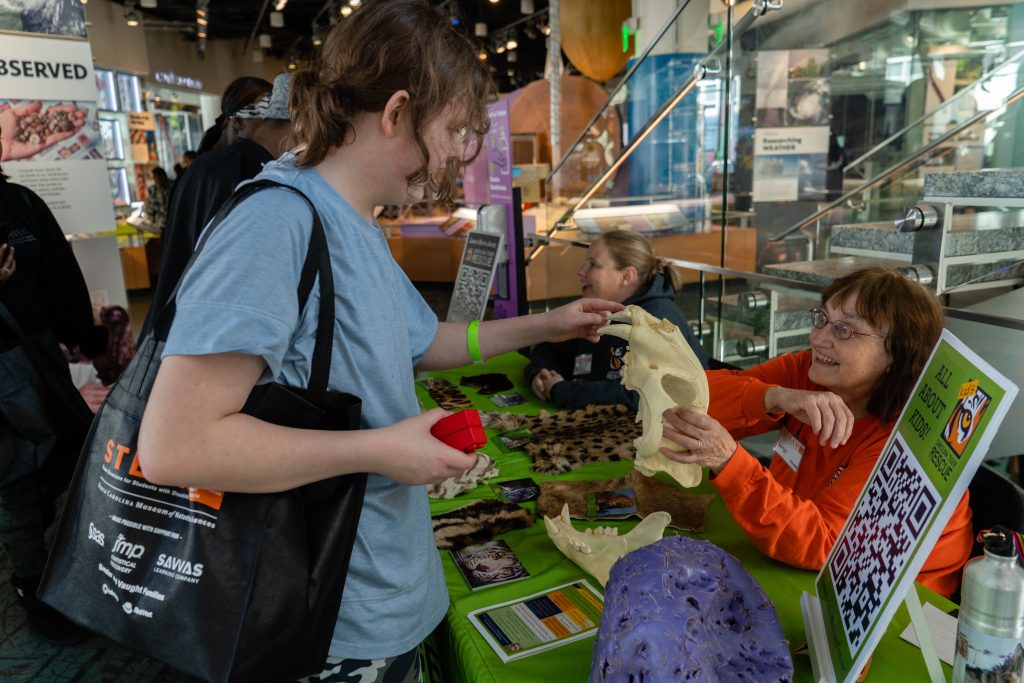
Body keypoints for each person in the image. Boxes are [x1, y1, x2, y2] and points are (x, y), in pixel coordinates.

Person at [137, 2, 622, 680]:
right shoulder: (274, 225)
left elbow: (423, 341)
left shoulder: (355, 223)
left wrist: (549, 323)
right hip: (325, 614)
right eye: (453, 128)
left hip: (380, 588)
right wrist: (381, 451)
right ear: (396, 112)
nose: (457, 153)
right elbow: (174, 446)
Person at [659, 267, 972, 598]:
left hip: (898, 606)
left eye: (845, 330)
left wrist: (728, 461)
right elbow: (688, 399)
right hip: (796, 563)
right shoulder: (810, 373)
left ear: (896, 353)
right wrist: (773, 396)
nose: (818, 338)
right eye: (822, 319)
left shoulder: (906, 441)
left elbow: (822, 543)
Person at [0, 147, 110, 643]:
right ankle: (32, 585)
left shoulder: (19, 202)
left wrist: (90, 344)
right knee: (15, 477)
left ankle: (67, 567)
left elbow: (62, 278)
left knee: (67, 462)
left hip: (36, 361)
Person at [141, 74, 290, 340]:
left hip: (186, 320)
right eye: (269, 120)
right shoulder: (233, 169)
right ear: (238, 121)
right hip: (207, 327)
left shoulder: (205, 166)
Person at [526, 230, 709, 409]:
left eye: (593, 264)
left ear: (626, 276)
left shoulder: (657, 319)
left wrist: (564, 392)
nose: (581, 271)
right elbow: (553, 349)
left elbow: (647, 394)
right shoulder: (602, 307)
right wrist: (541, 374)